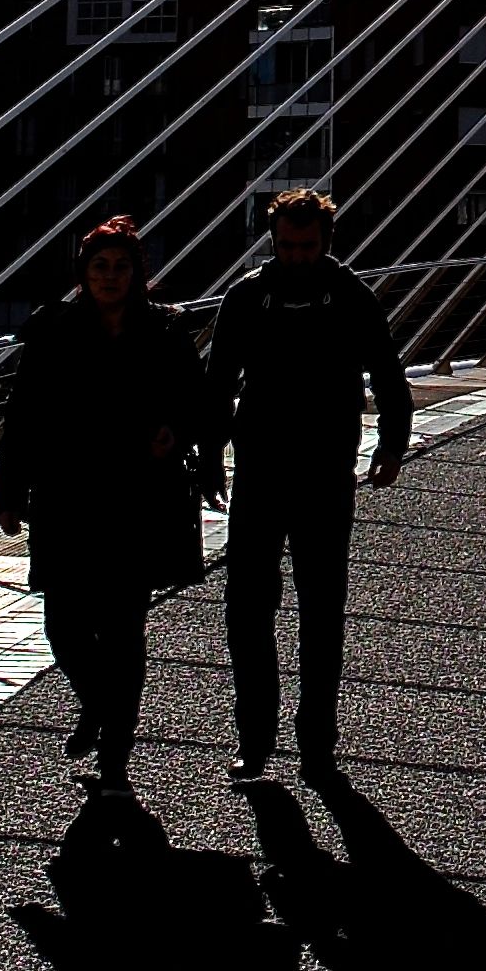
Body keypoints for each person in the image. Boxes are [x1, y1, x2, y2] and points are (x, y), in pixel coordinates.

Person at [0, 213, 215, 796]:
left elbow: (200, 401)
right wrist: (10, 491)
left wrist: (177, 432)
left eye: (120, 267)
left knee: (122, 629)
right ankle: (99, 704)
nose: (110, 276)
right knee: (63, 627)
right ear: (83, 274)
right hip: (68, 495)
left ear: (138, 273)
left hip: (139, 496)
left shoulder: (165, 330)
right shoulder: (55, 330)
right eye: (99, 267)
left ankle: (115, 754)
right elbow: (25, 415)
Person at [209, 185, 414, 787]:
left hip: (326, 472)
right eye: (287, 245)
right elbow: (219, 382)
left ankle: (315, 743)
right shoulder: (246, 298)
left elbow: (386, 370)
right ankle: (256, 741)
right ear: (274, 241)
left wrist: (392, 443)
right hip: (261, 469)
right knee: (247, 610)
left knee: (322, 613)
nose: (297, 255)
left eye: (307, 245)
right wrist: (207, 459)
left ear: (327, 242)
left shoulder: (352, 298)